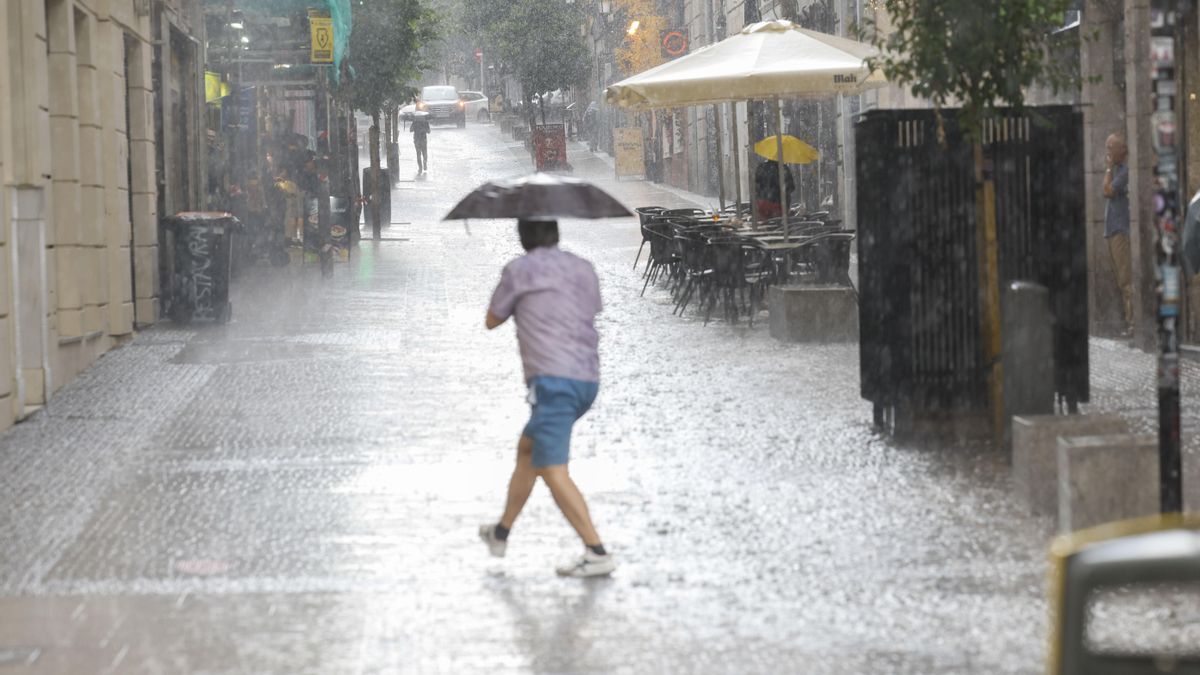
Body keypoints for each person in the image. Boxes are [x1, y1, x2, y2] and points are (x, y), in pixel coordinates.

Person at [479, 219, 615, 578]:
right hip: (587, 379)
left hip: (554, 383)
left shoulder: (519, 270)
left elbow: (492, 319)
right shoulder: (583, 268)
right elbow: (591, 308)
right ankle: (501, 532)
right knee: (529, 449)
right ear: (556, 234)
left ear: (522, 237)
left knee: (553, 469)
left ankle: (596, 551)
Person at [1103, 133, 1132, 333]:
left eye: (1110, 147)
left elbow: (1107, 191)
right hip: (1113, 230)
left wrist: (1107, 168)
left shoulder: (1125, 171)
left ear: (1121, 150)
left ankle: (1133, 322)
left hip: (1120, 230)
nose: (1108, 152)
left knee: (1126, 278)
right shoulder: (1118, 170)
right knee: (1120, 278)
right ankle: (1130, 320)